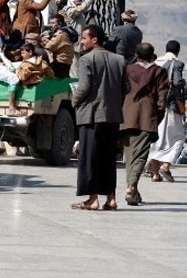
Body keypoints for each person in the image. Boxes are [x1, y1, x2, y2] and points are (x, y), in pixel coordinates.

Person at [71, 24, 127, 211]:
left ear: (95, 40)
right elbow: (126, 87)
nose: (82, 41)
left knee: (89, 158)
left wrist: (74, 101)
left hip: (91, 115)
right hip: (112, 116)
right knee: (108, 158)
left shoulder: (87, 59)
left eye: (84, 38)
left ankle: (92, 199)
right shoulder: (119, 60)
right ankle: (111, 199)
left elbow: (84, 87)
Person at [119, 43, 168, 205]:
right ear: (152, 55)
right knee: (140, 156)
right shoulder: (159, 72)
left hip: (127, 115)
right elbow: (162, 99)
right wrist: (157, 116)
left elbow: (121, 93)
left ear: (137, 54)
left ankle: (132, 191)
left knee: (131, 155)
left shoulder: (127, 70)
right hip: (148, 116)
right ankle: (132, 187)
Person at [148, 40, 186, 182]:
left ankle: (155, 174)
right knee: (179, 137)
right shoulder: (177, 64)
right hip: (170, 107)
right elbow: (176, 83)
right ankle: (165, 166)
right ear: (178, 51)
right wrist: (183, 83)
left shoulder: (155, 63)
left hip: (154, 107)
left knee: (157, 141)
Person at [62, 0, 97, 76]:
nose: (78, 5)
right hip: (73, 44)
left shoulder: (77, 13)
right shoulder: (70, 10)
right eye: (76, 3)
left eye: (79, 3)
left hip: (79, 43)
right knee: (75, 69)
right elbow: (80, 9)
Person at [42, 14, 75, 79]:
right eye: (51, 23)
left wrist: (44, 41)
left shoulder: (60, 34)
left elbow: (50, 46)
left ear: (60, 23)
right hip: (66, 61)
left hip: (60, 62)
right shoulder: (65, 31)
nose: (52, 25)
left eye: (53, 23)